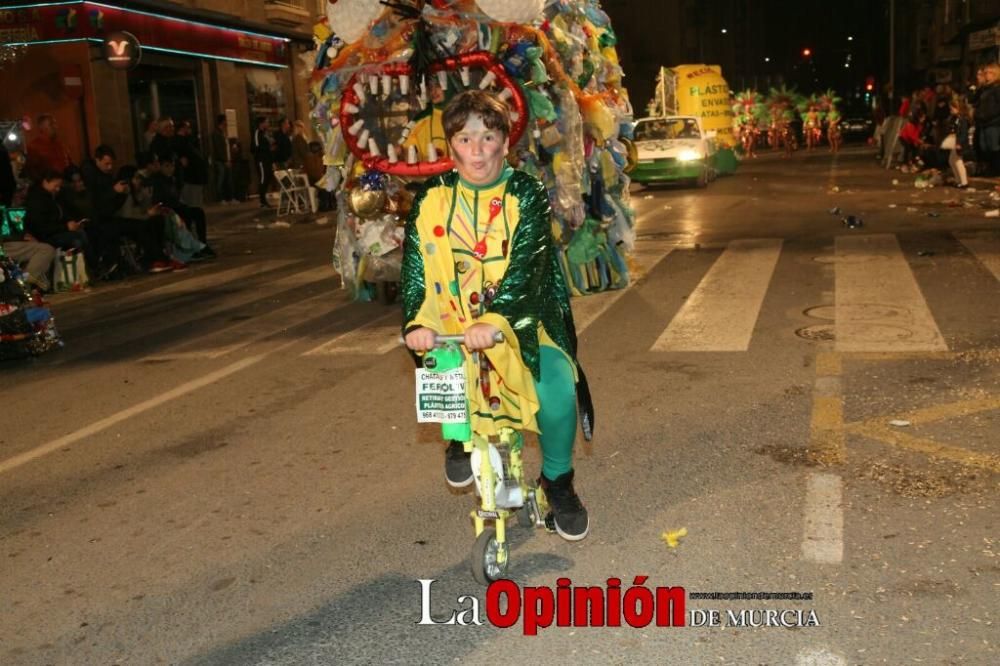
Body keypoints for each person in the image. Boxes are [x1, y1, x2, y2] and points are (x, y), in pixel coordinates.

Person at [401, 90, 594, 541]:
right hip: (454, 322)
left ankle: (558, 480)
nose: (477, 151)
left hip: (525, 321)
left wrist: (497, 319)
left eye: (488, 137)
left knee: (558, 388)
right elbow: (417, 269)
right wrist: (417, 322)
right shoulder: (431, 197)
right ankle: (457, 435)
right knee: (442, 369)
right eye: (465, 139)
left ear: (505, 143)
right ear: (451, 146)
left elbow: (528, 265)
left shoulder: (525, 192)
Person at [81, 144, 172, 275]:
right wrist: (114, 191)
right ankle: (155, 258)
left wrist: (121, 194)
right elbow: (97, 203)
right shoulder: (91, 177)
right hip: (99, 221)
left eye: (111, 164)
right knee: (138, 226)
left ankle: (156, 258)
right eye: (106, 164)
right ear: (97, 160)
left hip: (111, 217)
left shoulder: (106, 176)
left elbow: (115, 205)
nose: (110, 167)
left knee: (148, 224)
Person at [24, 169, 98, 272]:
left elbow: (63, 214)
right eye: (56, 186)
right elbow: (41, 227)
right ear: (45, 182)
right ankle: (93, 267)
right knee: (77, 238)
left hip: (56, 231)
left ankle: (89, 268)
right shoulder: (37, 200)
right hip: (45, 236)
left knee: (85, 231)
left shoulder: (53, 197)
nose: (58, 189)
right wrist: (65, 227)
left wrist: (74, 222)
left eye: (59, 186)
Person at [24, 115, 73, 183]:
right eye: (51, 124)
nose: (56, 127)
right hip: (50, 187)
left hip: (64, 184)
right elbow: (31, 171)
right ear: (42, 127)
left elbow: (67, 162)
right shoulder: (34, 146)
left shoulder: (59, 144)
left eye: (55, 124)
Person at [973, 63, 1000, 176]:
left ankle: (996, 169)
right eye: (985, 73)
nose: (986, 75)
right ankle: (989, 168)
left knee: (993, 147)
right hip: (983, 123)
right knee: (984, 147)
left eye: (989, 73)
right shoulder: (984, 89)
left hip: (993, 122)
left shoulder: (997, 89)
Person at [175, 119, 208, 207]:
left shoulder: (188, 140)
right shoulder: (179, 141)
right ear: (182, 128)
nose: (190, 129)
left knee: (196, 198)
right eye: (187, 127)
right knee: (192, 199)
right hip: (191, 176)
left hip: (196, 175)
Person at [210, 114, 235, 204]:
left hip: (226, 159)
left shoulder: (223, 133)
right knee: (221, 179)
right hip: (221, 161)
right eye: (225, 121)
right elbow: (219, 148)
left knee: (229, 179)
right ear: (222, 121)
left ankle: (230, 198)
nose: (227, 123)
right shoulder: (216, 134)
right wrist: (224, 160)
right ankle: (221, 198)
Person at [251, 116, 275, 207]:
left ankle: (264, 199)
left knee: (267, 178)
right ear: (261, 124)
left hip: (267, 160)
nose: (268, 124)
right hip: (261, 160)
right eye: (267, 122)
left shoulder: (265, 134)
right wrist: (268, 148)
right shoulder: (257, 133)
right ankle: (262, 200)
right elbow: (256, 147)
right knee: (263, 179)